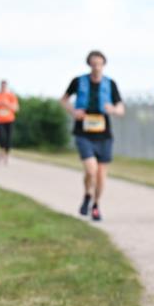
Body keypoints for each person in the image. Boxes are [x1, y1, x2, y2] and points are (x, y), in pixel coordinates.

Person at [61, 51, 125, 221]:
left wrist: (113, 110)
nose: (96, 67)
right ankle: (87, 194)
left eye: (99, 64)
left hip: (104, 134)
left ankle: (95, 205)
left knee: (101, 175)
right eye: (93, 64)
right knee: (91, 169)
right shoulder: (78, 81)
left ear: (104, 64)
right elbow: (63, 100)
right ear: (89, 64)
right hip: (83, 132)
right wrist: (73, 111)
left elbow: (121, 108)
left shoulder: (110, 84)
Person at [0, 80, 19, 165]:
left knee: (8, 139)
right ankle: (1, 153)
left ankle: (6, 156)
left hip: (9, 120)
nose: (3, 87)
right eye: (2, 86)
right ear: (0, 86)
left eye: (5, 86)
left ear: (6, 87)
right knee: (2, 138)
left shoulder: (11, 96)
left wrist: (7, 104)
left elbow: (16, 108)